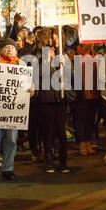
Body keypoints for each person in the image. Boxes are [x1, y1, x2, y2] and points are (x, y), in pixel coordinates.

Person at [0, 38, 34, 185]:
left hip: (13, 111)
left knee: (11, 140)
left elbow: (30, 86)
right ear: (0, 50)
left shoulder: (21, 65)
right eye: (7, 47)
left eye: (13, 47)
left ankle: (7, 169)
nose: (10, 49)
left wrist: (31, 91)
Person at [35, 27, 70, 174]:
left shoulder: (62, 54)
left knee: (61, 132)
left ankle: (63, 161)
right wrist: (47, 61)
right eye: (53, 37)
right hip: (46, 99)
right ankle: (48, 161)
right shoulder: (38, 56)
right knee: (48, 131)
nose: (56, 40)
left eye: (58, 37)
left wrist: (65, 64)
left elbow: (71, 76)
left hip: (60, 99)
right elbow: (39, 76)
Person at [73, 43, 99, 156]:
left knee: (90, 118)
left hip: (93, 93)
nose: (91, 45)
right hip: (81, 93)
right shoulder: (75, 55)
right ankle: (82, 143)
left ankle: (88, 141)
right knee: (80, 119)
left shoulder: (95, 55)